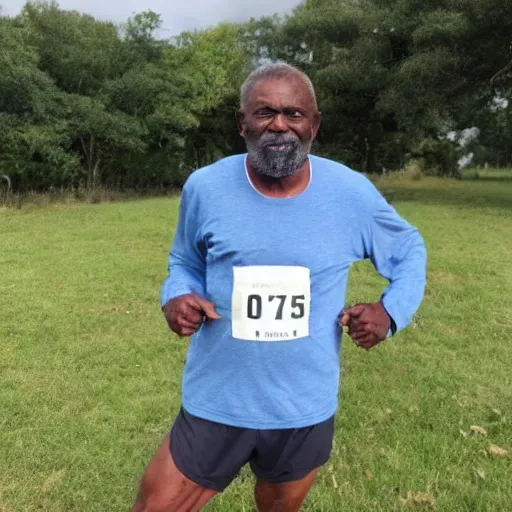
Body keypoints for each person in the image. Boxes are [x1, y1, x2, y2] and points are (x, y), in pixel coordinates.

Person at [132, 62, 427, 512]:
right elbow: (185, 260)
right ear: (242, 123)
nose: (279, 125)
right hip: (218, 397)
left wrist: (391, 312)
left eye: (294, 114)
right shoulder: (205, 188)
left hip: (302, 406)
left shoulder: (350, 194)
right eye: (265, 112)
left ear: (315, 125)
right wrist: (176, 294)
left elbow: (408, 248)